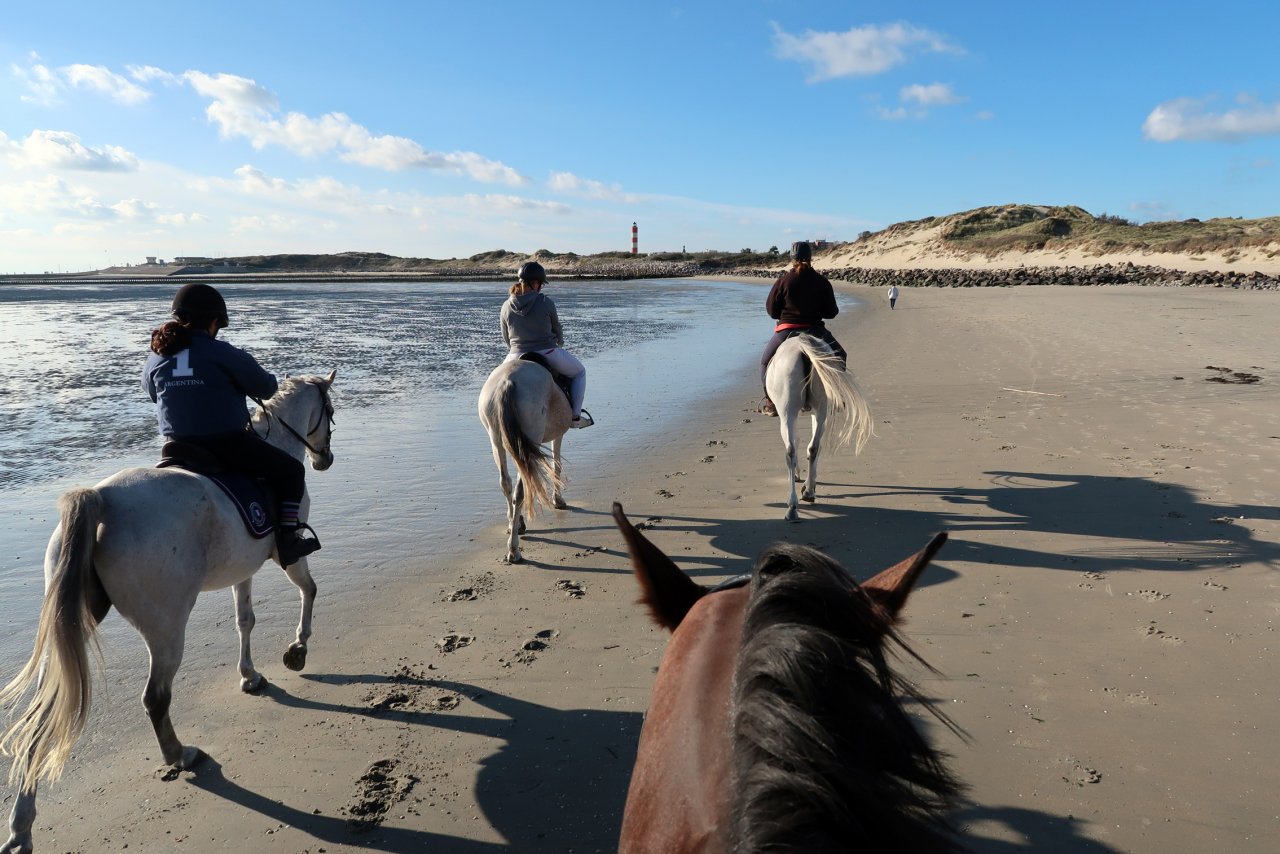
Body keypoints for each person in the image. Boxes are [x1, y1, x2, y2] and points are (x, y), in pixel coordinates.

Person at [142, 283, 321, 567]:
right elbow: (266, 388)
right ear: (214, 322)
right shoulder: (222, 353)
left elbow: (152, 394)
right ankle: (288, 540)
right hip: (225, 444)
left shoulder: (157, 356)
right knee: (291, 471)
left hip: (174, 447)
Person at [500, 260, 593, 428]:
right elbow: (557, 329)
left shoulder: (506, 306)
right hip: (547, 352)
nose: (541, 287)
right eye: (540, 284)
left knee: (498, 381)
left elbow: (506, 337)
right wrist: (559, 342)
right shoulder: (545, 302)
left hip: (515, 354)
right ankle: (575, 417)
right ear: (535, 283)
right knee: (580, 372)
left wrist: (515, 349)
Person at [759, 241, 847, 417]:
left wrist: (784, 314)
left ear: (792, 259)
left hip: (786, 330)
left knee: (764, 362)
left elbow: (771, 310)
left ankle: (770, 401)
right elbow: (832, 312)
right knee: (840, 355)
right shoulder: (821, 282)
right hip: (815, 330)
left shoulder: (783, 281)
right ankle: (836, 394)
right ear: (810, 258)